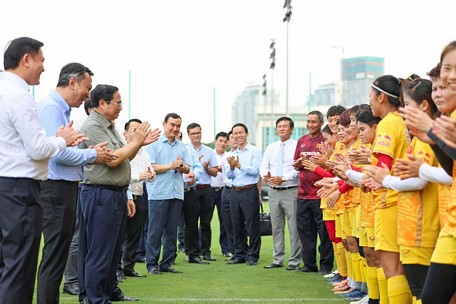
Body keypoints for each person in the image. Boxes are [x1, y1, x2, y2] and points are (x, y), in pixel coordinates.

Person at [0, 36, 85, 304]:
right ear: (26, 60)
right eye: (41, 60)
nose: (44, 68)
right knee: (20, 270)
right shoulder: (19, 96)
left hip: (8, 188)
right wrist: (63, 139)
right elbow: (38, 148)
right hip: (20, 191)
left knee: (9, 266)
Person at [36, 62, 117, 304]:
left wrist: (87, 151)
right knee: (54, 257)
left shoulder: (61, 110)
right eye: (87, 87)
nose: (88, 95)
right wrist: (93, 155)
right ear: (73, 83)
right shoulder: (51, 108)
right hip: (55, 189)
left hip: (64, 188)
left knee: (57, 256)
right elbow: (56, 153)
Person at [78, 84, 159, 303]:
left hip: (115, 193)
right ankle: (94, 297)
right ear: (102, 103)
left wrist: (136, 144)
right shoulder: (93, 126)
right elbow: (113, 160)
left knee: (112, 250)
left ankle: (107, 291)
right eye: (118, 102)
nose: (121, 107)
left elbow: (123, 158)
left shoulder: (109, 126)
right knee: (100, 250)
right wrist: (136, 142)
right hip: (100, 193)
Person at [145, 113, 190, 275]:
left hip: (177, 194)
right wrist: (171, 166)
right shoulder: (154, 144)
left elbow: (188, 168)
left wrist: (181, 167)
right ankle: (152, 264)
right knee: (155, 231)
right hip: (158, 194)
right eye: (172, 124)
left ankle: (167, 263)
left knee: (172, 231)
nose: (175, 128)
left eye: (178, 126)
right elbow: (152, 167)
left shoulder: (182, 146)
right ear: (164, 124)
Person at [293, 110, 334, 274]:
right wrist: (298, 164)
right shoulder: (301, 141)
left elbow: (331, 164)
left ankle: (326, 265)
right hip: (303, 194)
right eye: (308, 121)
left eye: (314, 122)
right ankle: (309, 264)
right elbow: (296, 164)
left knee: (324, 233)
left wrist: (319, 164)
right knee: (305, 232)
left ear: (321, 122)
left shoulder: (326, 140)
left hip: (321, 193)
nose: (310, 125)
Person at [260, 116, 301, 271]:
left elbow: (298, 169)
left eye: (285, 126)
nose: (282, 128)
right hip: (273, 191)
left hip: (290, 190)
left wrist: (282, 178)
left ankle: (294, 261)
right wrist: (267, 175)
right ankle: (278, 259)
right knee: (276, 227)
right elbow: (263, 166)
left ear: (291, 129)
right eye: (279, 126)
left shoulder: (297, 146)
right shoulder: (271, 147)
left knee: (294, 227)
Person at [63, 98, 93, 295]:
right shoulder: (86, 126)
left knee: (80, 235)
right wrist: (93, 154)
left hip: (79, 185)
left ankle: (76, 278)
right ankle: (71, 280)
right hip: (79, 185)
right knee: (75, 235)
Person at [122, 118, 156, 277]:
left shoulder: (145, 154)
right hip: (123, 196)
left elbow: (149, 172)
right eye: (134, 129)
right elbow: (120, 174)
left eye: (141, 130)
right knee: (118, 235)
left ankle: (128, 267)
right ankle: (116, 269)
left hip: (140, 196)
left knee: (134, 235)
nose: (138, 133)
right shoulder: (121, 149)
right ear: (125, 133)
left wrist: (151, 175)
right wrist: (138, 176)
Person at [225, 123, 262, 266]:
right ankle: (239, 254)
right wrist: (233, 167)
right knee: (236, 223)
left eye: (241, 132)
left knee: (252, 224)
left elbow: (255, 170)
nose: (238, 135)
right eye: (235, 133)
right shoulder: (233, 154)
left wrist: (239, 165)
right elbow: (229, 175)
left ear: (246, 133)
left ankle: (253, 255)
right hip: (235, 191)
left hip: (249, 190)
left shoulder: (254, 150)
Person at [187, 123, 219, 261]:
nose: (196, 136)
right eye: (193, 133)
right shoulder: (185, 150)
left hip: (206, 189)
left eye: (198, 133)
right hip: (191, 189)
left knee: (206, 223)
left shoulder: (209, 151)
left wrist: (206, 168)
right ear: (188, 135)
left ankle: (205, 251)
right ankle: (191, 252)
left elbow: (215, 172)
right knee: (190, 223)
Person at [211, 131, 230, 257]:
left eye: (225, 141)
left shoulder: (229, 156)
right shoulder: (209, 154)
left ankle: (226, 249)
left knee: (225, 222)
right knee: (205, 222)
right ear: (215, 141)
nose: (222, 144)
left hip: (224, 191)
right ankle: (204, 250)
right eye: (220, 141)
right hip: (209, 190)